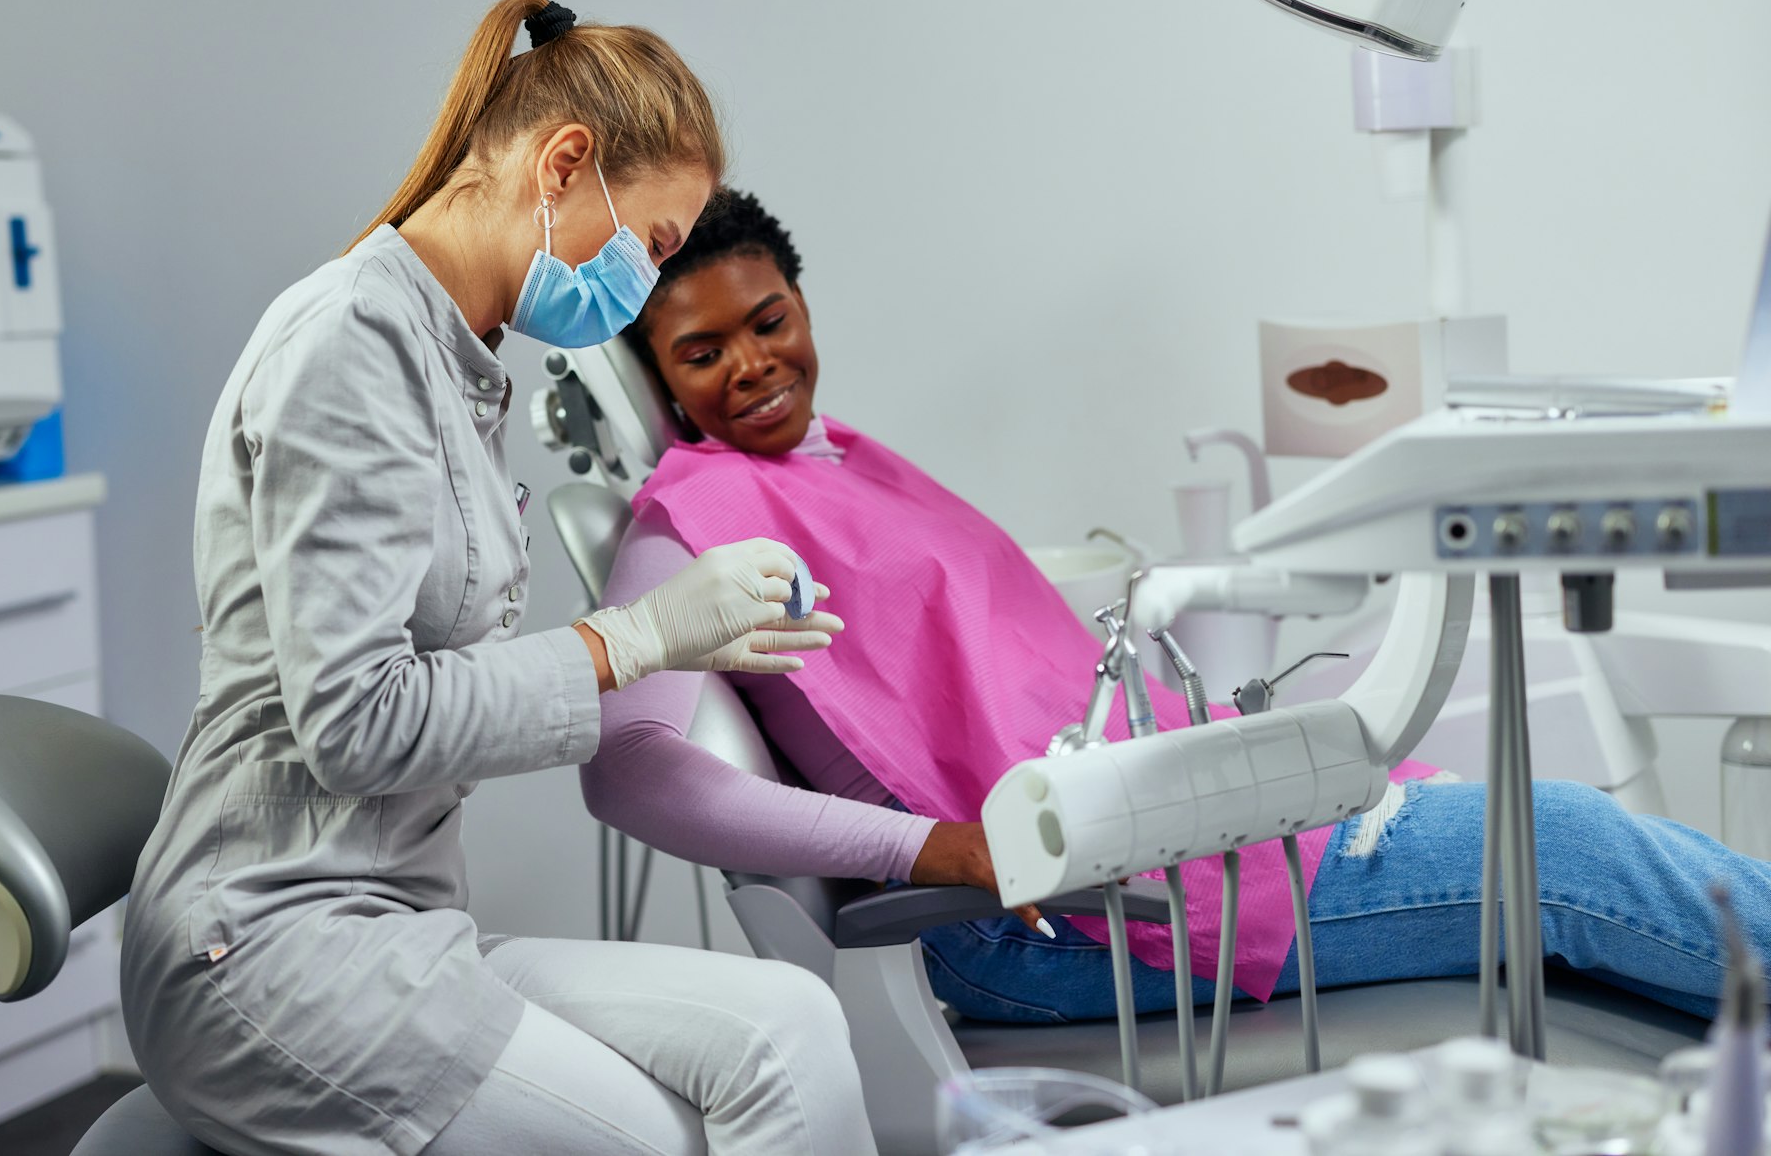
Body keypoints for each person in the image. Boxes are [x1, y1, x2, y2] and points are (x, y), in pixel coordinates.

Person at [583, 188, 1771, 1027]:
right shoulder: (691, 512)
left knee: (1581, 874)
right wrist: (933, 848)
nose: (750, 363)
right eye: (701, 351)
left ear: (800, 302)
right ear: (657, 376)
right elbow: (630, 767)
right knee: (1557, 843)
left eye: (768, 320)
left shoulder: (836, 459)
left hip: (1136, 846)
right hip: (1041, 925)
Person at [122, 0, 874, 1156]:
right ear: (565, 163)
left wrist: (680, 641)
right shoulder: (349, 346)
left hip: (400, 922)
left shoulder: (449, 357)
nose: (642, 282)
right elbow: (357, 724)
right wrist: (632, 637)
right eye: (654, 243)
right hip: (269, 948)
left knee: (791, 1028)